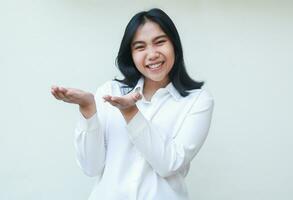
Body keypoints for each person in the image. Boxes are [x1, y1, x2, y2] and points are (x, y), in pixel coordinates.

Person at [51, 8, 214, 200]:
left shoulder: (197, 100)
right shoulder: (109, 92)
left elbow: (170, 164)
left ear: (175, 45)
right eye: (140, 47)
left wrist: (130, 112)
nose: (152, 54)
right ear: (131, 54)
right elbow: (91, 166)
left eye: (160, 42)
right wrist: (88, 109)